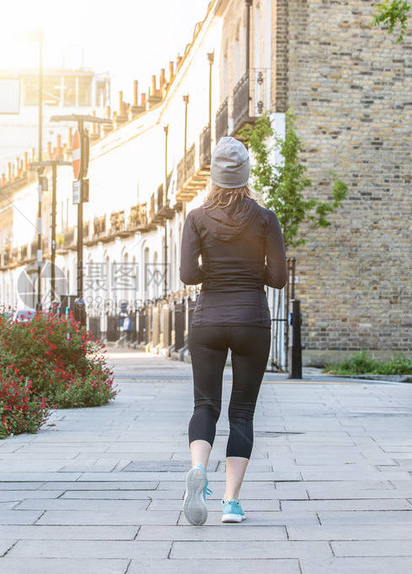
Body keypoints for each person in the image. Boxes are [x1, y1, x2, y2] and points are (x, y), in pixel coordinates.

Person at [179, 136, 288, 525]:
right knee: (242, 412)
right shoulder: (264, 218)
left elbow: (188, 274)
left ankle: (198, 468)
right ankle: (230, 502)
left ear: (213, 177)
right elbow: (278, 278)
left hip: (207, 321)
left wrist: (216, 271)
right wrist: (249, 272)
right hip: (250, 321)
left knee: (204, 405)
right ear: (245, 176)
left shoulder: (196, 217)